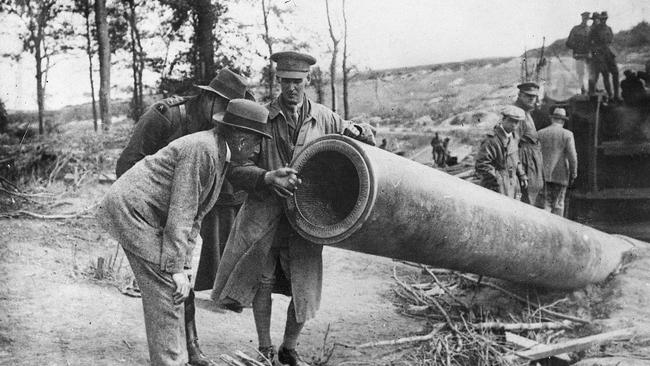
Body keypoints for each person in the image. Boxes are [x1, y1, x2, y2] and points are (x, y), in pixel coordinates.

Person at [211, 51, 375, 365]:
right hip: (264, 216)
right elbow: (234, 168)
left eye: (297, 82)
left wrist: (362, 133)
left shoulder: (325, 118)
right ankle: (264, 347)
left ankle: (289, 348)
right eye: (286, 81)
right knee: (262, 279)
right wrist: (266, 177)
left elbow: (353, 145)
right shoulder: (261, 116)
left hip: (308, 217)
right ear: (278, 81)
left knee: (305, 285)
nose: (291, 89)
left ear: (307, 81)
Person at [98, 99, 280, 366]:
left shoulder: (218, 153)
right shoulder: (203, 151)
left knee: (175, 289)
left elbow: (195, 216)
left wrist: (184, 266)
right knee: (168, 290)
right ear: (241, 141)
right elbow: (181, 214)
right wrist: (175, 270)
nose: (258, 149)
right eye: (257, 142)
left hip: (147, 216)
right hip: (132, 213)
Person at [475, 106, 527, 198]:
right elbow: (482, 164)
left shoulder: (514, 137)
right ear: (503, 119)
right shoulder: (492, 140)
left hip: (512, 183)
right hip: (496, 186)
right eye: (511, 120)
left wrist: (521, 174)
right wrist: (497, 180)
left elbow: (515, 159)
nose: (514, 125)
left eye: (517, 122)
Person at [538, 107, 578, 216]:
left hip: (543, 174)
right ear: (563, 121)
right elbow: (572, 156)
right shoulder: (567, 134)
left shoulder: (540, 133)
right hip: (561, 175)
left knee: (545, 204)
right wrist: (574, 173)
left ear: (552, 119)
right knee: (558, 204)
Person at [513, 82, 544, 207]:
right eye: (528, 96)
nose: (532, 99)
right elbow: (512, 146)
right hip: (525, 164)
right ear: (520, 95)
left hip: (531, 164)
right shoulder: (517, 114)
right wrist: (521, 172)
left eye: (534, 96)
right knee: (526, 204)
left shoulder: (526, 113)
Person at [589, 11, 620, 101]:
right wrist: (595, 54)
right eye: (602, 18)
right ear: (600, 19)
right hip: (600, 56)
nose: (604, 20)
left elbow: (610, 41)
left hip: (609, 54)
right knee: (605, 75)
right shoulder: (594, 30)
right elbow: (590, 44)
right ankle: (610, 95)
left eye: (605, 18)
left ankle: (616, 95)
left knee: (616, 73)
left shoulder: (609, 29)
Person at [566, 12, 592, 94]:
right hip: (579, 55)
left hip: (588, 55)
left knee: (591, 73)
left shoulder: (590, 29)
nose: (586, 20)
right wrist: (577, 46)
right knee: (580, 73)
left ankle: (591, 90)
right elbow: (568, 43)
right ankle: (583, 90)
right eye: (584, 18)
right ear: (582, 18)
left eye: (587, 19)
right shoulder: (575, 29)